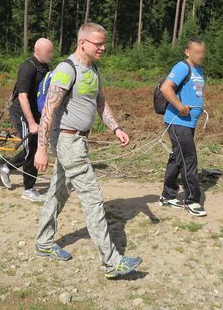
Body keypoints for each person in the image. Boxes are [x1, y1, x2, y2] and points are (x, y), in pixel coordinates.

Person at [34, 22, 142, 279]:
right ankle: (111, 262)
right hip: (68, 142)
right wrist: (41, 149)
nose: (103, 48)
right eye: (98, 43)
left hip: (79, 141)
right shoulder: (65, 69)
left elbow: (101, 104)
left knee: (58, 193)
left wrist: (116, 128)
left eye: (104, 43)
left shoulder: (93, 70)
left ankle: (44, 242)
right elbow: (48, 111)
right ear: (82, 42)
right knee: (93, 197)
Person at [0, 38, 54, 201]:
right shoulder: (27, 67)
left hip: (36, 113)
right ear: (37, 50)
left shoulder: (44, 67)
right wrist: (31, 122)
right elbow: (22, 96)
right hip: (21, 113)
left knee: (34, 146)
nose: (52, 54)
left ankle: (5, 167)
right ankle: (28, 189)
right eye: (49, 51)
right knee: (32, 149)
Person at [159, 38, 207, 217]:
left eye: (202, 52)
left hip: (189, 123)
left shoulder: (198, 69)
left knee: (177, 158)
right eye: (197, 52)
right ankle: (192, 200)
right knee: (189, 159)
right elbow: (166, 88)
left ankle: (167, 195)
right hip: (178, 121)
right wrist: (180, 106)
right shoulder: (182, 67)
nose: (201, 56)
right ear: (187, 52)